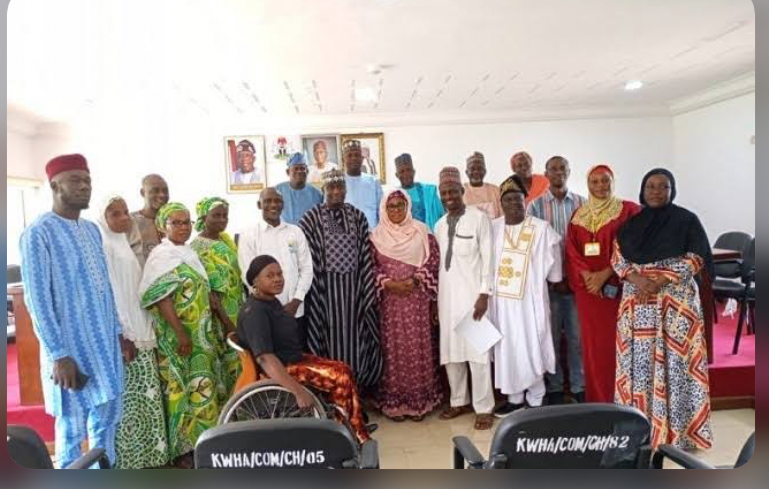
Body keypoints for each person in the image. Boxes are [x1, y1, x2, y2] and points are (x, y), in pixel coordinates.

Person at [20, 154, 128, 468]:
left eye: (87, 180)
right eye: (75, 180)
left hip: (104, 348)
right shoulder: (38, 233)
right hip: (70, 353)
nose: (84, 186)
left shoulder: (92, 229)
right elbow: (37, 300)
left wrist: (118, 334)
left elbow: (104, 287)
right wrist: (59, 354)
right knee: (71, 431)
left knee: (107, 424)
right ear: (55, 186)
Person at [613, 168, 714, 450]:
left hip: (676, 305)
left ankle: (680, 434)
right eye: (651, 186)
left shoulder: (687, 220)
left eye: (663, 187)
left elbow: (697, 257)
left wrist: (661, 279)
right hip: (638, 304)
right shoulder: (631, 225)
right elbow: (618, 258)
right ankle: (641, 432)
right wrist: (638, 279)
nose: (657, 192)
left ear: (672, 190)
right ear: (642, 190)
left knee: (677, 366)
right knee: (640, 365)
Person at [237, 255, 373, 443]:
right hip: (280, 368)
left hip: (292, 359)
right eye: (270, 275)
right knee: (340, 375)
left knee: (344, 368)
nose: (277, 279)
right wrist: (297, 391)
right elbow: (265, 358)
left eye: (279, 274)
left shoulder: (269, 301)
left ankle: (354, 425)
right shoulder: (255, 312)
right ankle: (342, 436)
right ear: (255, 281)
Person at [139, 202, 227, 468]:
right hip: (180, 338)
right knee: (180, 390)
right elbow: (161, 297)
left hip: (201, 335)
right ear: (162, 227)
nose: (182, 227)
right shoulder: (161, 256)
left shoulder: (188, 253)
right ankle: (181, 451)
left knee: (202, 386)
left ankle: (203, 443)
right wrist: (181, 333)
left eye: (186, 222)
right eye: (175, 222)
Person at [96, 195, 169, 469]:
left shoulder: (124, 244)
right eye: (115, 214)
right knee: (129, 400)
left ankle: (151, 455)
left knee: (147, 395)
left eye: (125, 212)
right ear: (103, 219)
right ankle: (128, 461)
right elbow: (113, 295)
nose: (124, 218)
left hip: (141, 329)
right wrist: (124, 333)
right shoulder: (104, 247)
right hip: (126, 335)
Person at [298, 169, 383, 391]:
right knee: (326, 338)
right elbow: (305, 257)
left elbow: (365, 255)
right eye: (331, 188)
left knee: (358, 338)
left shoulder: (358, 217)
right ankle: (331, 389)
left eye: (340, 187)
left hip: (355, 294)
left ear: (346, 190)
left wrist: (365, 289)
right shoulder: (310, 218)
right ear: (323, 190)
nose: (336, 192)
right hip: (324, 296)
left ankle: (357, 388)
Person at [565, 165, 640, 403]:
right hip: (589, 293)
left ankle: (623, 399)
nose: (600, 186)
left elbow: (634, 247)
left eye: (605, 181)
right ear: (587, 185)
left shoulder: (628, 210)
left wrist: (605, 274)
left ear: (613, 181)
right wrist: (588, 276)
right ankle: (598, 399)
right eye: (594, 182)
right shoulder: (578, 215)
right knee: (593, 346)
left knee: (620, 343)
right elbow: (571, 251)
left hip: (618, 289)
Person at [490, 175, 562, 415]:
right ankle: (514, 398)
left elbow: (554, 262)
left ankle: (537, 396)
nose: (513, 203)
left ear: (525, 200)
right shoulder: (493, 228)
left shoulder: (541, 228)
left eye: (517, 198)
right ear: (501, 203)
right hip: (501, 303)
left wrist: (555, 279)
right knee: (508, 348)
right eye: (508, 199)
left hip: (531, 301)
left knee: (532, 345)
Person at [370, 189, 444, 421]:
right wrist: (388, 283)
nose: (396, 210)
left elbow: (433, 260)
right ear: (384, 209)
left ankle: (420, 402)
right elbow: (370, 266)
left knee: (418, 347)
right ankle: (396, 403)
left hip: (417, 299)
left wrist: (416, 279)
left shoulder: (422, 231)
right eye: (391, 206)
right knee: (393, 350)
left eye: (400, 205)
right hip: (390, 303)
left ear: (408, 206)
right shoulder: (375, 235)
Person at [434, 166, 495, 430]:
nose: (449, 196)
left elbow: (488, 258)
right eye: (444, 193)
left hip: (473, 297)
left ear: (462, 190)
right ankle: (458, 401)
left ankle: (484, 407)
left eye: (453, 191)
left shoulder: (479, 218)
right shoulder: (438, 225)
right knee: (451, 353)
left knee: (478, 353)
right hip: (447, 299)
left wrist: (484, 294)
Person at [527, 156, 587, 405]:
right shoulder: (535, 207)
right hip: (548, 286)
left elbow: (588, 243)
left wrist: (573, 277)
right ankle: (554, 387)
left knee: (576, 338)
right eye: (553, 169)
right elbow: (531, 248)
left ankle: (579, 386)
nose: (558, 172)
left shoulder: (583, 204)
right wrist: (552, 279)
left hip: (576, 284)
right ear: (546, 174)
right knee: (549, 339)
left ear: (569, 172)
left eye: (563, 168)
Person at [238, 188, 313, 350]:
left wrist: (296, 301)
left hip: (294, 311)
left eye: (277, 201)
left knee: (295, 357)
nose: (273, 205)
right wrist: (272, 308)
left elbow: (306, 269)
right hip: (264, 314)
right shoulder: (249, 235)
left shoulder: (295, 232)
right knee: (268, 358)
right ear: (259, 205)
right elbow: (248, 275)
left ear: (283, 204)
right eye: (268, 201)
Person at [190, 197, 244, 395]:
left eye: (225, 215)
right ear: (204, 217)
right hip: (221, 315)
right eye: (216, 215)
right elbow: (210, 291)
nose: (222, 219)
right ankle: (230, 404)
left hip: (237, 308)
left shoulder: (224, 239)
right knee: (228, 360)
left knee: (240, 360)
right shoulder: (198, 247)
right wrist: (226, 322)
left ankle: (241, 400)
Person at [394, 153, 445, 231]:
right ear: (397, 175)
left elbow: (442, 218)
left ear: (413, 171)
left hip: (427, 235)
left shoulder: (429, 192)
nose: (406, 174)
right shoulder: (394, 196)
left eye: (408, 170)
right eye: (402, 171)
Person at [128, 174, 170, 267]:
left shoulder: (174, 222)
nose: (162, 195)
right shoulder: (130, 222)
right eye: (155, 191)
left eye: (165, 191)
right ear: (143, 193)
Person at [342, 139, 384, 228]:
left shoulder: (373, 181)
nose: (354, 158)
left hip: (371, 233)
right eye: (349, 155)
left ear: (362, 158)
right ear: (343, 159)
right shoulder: (338, 182)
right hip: (345, 234)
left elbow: (382, 210)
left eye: (357, 155)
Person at [275, 152, 324, 225]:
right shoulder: (277, 191)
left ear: (307, 171)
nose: (299, 171)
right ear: (288, 172)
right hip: (284, 231)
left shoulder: (317, 194)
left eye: (302, 168)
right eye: (296, 169)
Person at [462, 151, 503, 220]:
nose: (476, 172)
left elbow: (502, 218)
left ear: (485, 171)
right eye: (472, 169)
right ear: (466, 172)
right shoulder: (460, 191)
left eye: (479, 168)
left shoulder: (495, 190)